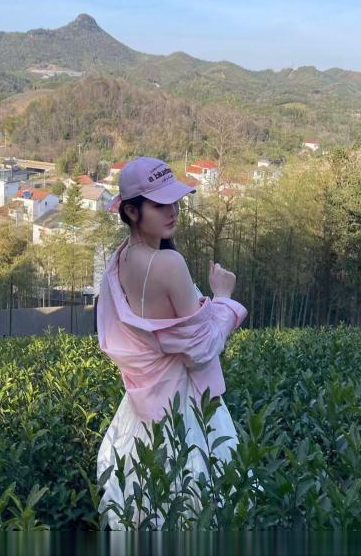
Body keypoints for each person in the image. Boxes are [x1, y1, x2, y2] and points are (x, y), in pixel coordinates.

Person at [95, 156, 249, 529]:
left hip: (144, 402)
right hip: (184, 402)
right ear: (132, 211)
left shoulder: (120, 258)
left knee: (147, 498)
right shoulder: (167, 264)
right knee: (200, 500)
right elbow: (202, 348)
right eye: (160, 204)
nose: (173, 211)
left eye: (175, 201)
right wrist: (224, 298)